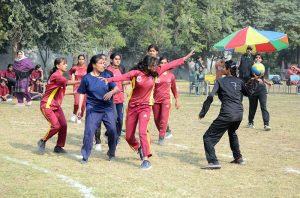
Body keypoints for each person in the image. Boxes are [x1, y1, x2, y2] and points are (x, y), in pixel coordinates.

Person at [101, 50, 194, 170]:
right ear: (147, 65)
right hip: (132, 107)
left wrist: (184, 58)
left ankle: (146, 159)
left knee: (143, 132)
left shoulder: (156, 72)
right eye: (154, 65)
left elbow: (171, 65)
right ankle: (139, 147)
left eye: (156, 65)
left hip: (145, 107)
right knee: (129, 136)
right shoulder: (136, 73)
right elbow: (122, 77)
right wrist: (108, 80)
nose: (156, 67)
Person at [199, 60, 256, 169]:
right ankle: (238, 157)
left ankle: (213, 162)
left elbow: (211, 96)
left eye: (224, 67)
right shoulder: (239, 81)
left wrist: (203, 111)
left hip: (227, 114)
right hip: (239, 114)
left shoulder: (220, 81)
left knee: (208, 137)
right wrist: (253, 82)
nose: (222, 69)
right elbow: (249, 93)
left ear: (229, 69)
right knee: (232, 132)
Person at [77, 54, 119, 164]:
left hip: (107, 108)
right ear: (94, 65)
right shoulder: (86, 78)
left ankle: (111, 152)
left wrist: (112, 91)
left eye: (104, 63)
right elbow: (81, 93)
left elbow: (116, 88)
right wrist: (79, 109)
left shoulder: (107, 74)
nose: (103, 65)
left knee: (113, 131)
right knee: (89, 132)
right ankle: (85, 156)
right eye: (100, 63)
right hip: (92, 108)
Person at [37, 57, 80, 154]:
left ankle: (58, 147)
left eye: (66, 63)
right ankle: (42, 141)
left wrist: (74, 92)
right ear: (57, 66)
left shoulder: (59, 77)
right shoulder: (56, 75)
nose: (66, 65)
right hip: (47, 105)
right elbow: (68, 82)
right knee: (56, 126)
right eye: (64, 63)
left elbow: (61, 92)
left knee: (63, 125)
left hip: (56, 106)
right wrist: (80, 81)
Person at [93, 53, 129, 151]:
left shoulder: (121, 69)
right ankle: (113, 139)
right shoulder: (107, 70)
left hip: (120, 98)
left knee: (120, 121)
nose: (118, 61)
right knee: (114, 119)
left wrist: (130, 81)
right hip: (111, 99)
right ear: (112, 60)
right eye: (116, 59)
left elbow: (122, 80)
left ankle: (110, 135)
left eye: (119, 59)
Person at [147, 44, 173, 137]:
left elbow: (168, 69)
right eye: (150, 51)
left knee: (163, 116)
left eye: (153, 51)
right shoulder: (146, 61)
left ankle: (164, 132)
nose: (151, 52)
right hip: (150, 92)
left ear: (157, 52)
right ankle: (165, 130)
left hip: (163, 94)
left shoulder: (159, 62)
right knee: (157, 117)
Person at [153, 56, 180, 145]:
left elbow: (174, 89)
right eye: (162, 63)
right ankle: (164, 132)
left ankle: (161, 138)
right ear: (159, 64)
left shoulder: (171, 75)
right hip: (155, 100)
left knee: (164, 119)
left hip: (166, 100)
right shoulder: (155, 74)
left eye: (165, 63)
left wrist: (177, 100)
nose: (164, 64)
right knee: (157, 119)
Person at [247, 54, 271, 131]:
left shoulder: (262, 67)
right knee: (253, 107)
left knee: (263, 106)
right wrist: (254, 78)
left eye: (259, 58)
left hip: (262, 89)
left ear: (261, 60)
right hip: (253, 89)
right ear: (254, 59)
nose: (258, 59)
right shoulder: (251, 67)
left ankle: (266, 124)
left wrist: (267, 83)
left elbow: (262, 79)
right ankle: (250, 122)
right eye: (256, 57)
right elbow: (247, 79)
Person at [69, 54, 87, 124]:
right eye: (80, 59)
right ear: (78, 60)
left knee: (83, 104)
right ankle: (74, 114)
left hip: (85, 88)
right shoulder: (75, 68)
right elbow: (70, 73)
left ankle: (79, 117)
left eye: (82, 59)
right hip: (76, 87)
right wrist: (72, 79)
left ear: (84, 60)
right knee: (77, 103)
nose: (81, 61)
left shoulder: (87, 68)